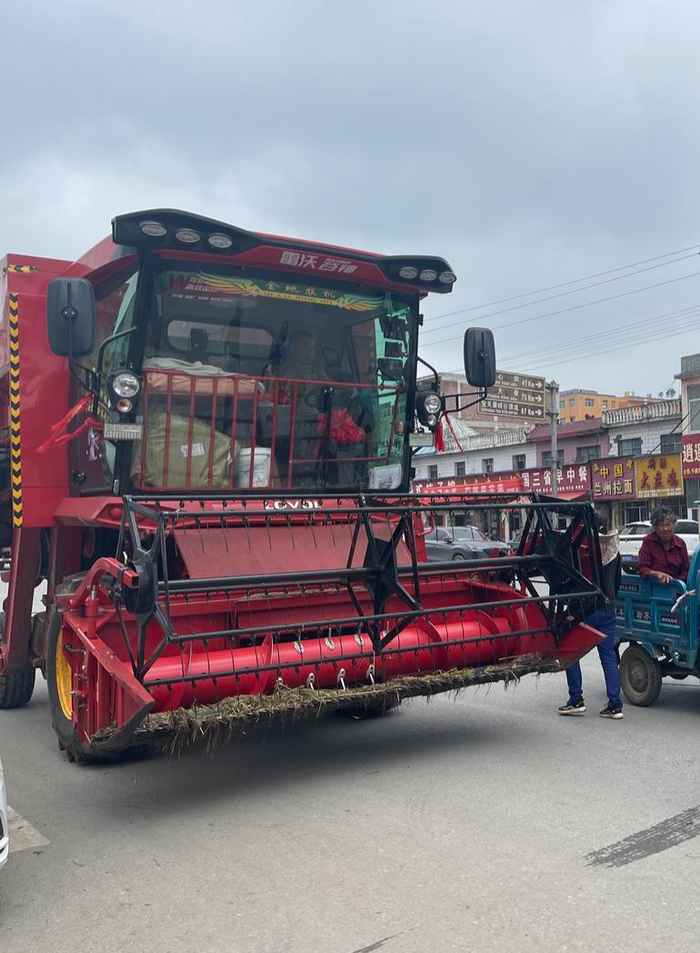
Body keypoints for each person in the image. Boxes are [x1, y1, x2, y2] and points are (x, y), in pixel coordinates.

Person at [558, 510, 624, 720]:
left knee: (571, 653)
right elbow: (618, 580)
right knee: (608, 659)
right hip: (608, 608)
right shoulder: (613, 550)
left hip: (584, 610)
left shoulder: (581, 549)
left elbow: (568, 580)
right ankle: (615, 705)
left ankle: (576, 700)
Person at [637, 505, 689, 584]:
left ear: (674, 525)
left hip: (677, 588)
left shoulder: (680, 543)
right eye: (661, 525)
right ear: (655, 527)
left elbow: (686, 570)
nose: (665, 529)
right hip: (654, 588)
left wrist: (675, 583)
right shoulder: (648, 541)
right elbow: (642, 568)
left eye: (668, 525)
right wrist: (657, 574)